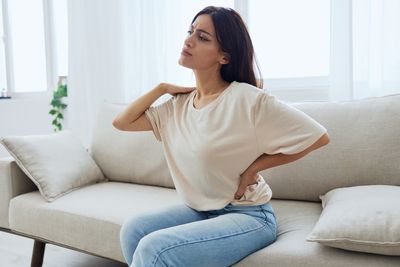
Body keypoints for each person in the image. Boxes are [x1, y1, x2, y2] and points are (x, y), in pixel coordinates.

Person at [113, 6, 330, 267]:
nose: (189, 40)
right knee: (133, 230)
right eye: (190, 31)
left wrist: (255, 168)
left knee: (154, 248)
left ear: (224, 56)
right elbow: (121, 122)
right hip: (199, 211)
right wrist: (161, 88)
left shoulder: (246, 99)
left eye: (202, 37)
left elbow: (318, 136)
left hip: (250, 217)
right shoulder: (177, 106)